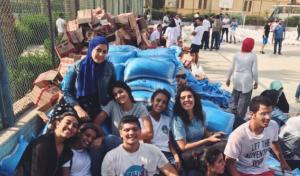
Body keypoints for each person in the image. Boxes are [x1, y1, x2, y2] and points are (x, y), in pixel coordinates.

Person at [224, 96, 291, 176]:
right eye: (263, 114)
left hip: (263, 169)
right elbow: (229, 162)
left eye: (269, 112)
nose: (268, 117)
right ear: (252, 114)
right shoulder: (238, 135)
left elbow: (274, 142)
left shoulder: (273, 126)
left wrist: (283, 162)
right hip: (244, 171)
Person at [171, 86, 225, 174]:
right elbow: (183, 147)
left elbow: (204, 132)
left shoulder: (201, 113)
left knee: (224, 142)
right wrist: (208, 139)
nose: (187, 99)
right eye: (183, 98)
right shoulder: (178, 119)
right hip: (188, 154)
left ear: (194, 98)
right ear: (179, 102)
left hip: (203, 147)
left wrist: (213, 134)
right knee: (212, 153)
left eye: (189, 96)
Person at [101, 115, 178, 175]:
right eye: (127, 130)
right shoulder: (110, 158)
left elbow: (171, 173)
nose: (131, 133)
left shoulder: (153, 151)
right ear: (121, 133)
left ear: (140, 131)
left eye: (135, 129)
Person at [62, 36, 115, 121]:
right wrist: (78, 109)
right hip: (77, 104)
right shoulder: (76, 67)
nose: (101, 54)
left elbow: (113, 88)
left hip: (97, 107)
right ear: (91, 48)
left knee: (88, 130)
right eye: (98, 50)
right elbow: (66, 91)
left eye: (104, 52)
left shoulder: (108, 67)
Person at [14, 112, 79, 176]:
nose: (70, 127)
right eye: (67, 123)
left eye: (74, 126)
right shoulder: (42, 144)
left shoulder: (66, 150)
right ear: (57, 123)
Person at [226, 37, 258, 128]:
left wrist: (228, 78)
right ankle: (238, 122)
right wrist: (256, 81)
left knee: (234, 97)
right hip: (246, 79)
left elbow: (231, 67)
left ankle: (231, 116)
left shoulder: (237, 54)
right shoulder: (253, 56)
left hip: (236, 78)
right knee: (243, 102)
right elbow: (254, 71)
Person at [146, 89, 181, 171]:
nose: (160, 104)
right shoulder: (144, 118)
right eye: (158, 100)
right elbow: (145, 142)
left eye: (164, 102)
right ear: (152, 101)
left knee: (180, 170)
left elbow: (169, 142)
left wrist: (176, 156)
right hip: (153, 153)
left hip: (167, 154)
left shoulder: (167, 120)